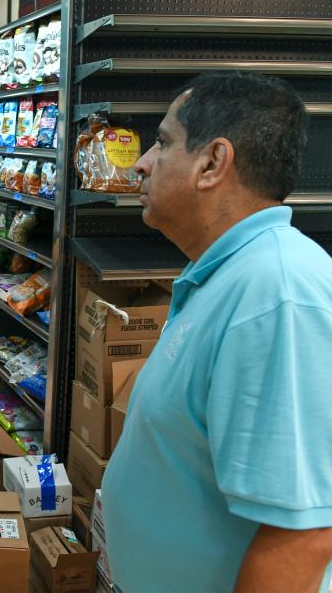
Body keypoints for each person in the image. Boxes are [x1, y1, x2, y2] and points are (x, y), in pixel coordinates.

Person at [102, 71, 332, 593]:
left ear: (212, 163)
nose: (141, 163)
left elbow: (302, 535)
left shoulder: (277, 295)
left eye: (162, 143)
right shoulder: (230, 274)